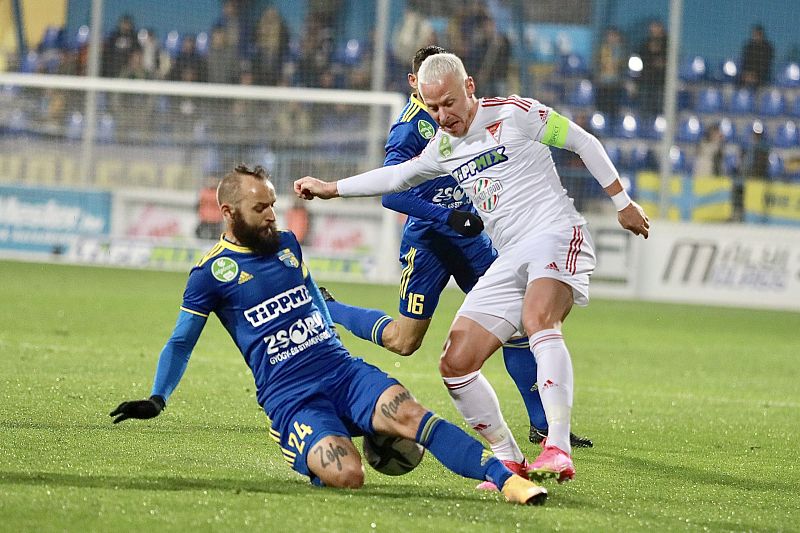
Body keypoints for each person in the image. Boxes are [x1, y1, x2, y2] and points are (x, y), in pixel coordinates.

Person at [295, 53, 650, 483]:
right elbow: (395, 180)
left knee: (537, 319)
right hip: (510, 254)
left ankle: (557, 446)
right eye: (432, 108)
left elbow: (583, 142)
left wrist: (622, 202)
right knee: (455, 363)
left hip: (555, 233)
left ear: (470, 87)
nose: (443, 116)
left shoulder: (515, 114)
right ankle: (508, 457)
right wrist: (331, 188)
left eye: (449, 103)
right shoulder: (443, 147)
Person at [109, 164, 547, 506]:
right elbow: (181, 342)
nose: (272, 216)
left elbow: (317, 302)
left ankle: (506, 480)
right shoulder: (210, 274)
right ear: (228, 212)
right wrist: (157, 398)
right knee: (349, 476)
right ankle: (296, 439)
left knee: (412, 416)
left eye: (273, 205)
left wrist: (340, 331)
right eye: (260, 209)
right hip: (291, 396)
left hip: (342, 372)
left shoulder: (287, 244)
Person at [637, 20, 667, 118]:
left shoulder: (667, 44)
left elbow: (669, 61)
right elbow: (640, 61)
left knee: (659, 109)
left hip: (661, 83)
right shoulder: (645, 44)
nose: (654, 30)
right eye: (652, 28)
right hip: (646, 81)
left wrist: (662, 63)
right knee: (645, 109)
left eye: (656, 28)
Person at [739, 24, 774, 89]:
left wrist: (754, 75)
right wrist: (746, 74)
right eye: (755, 34)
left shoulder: (768, 48)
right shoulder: (748, 47)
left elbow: (766, 64)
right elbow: (744, 62)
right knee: (737, 79)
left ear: (762, 35)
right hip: (748, 74)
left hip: (762, 75)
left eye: (758, 34)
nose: (756, 36)